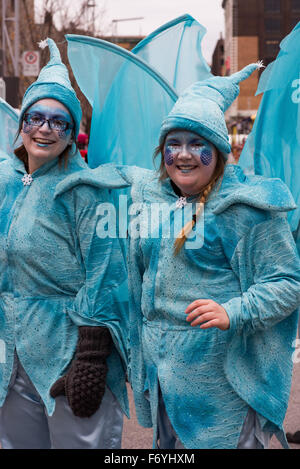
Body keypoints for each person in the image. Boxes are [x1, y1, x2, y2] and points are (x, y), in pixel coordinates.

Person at [99, 63, 300, 449]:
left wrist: (234, 311)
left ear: (220, 151)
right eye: (174, 143)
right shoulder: (151, 196)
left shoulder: (244, 206)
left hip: (223, 384)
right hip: (164, 381)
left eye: (198, 144)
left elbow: (288, 282)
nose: (184, 155)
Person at [0, 38, 129, 449]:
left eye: (60, 122)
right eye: (36, 116)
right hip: (9, 352)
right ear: (22, 122)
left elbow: (108, 273)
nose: (45, 128)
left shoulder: (89, 190)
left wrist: (90, 356)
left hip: (69, 355)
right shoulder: (3, 181)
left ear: (73, 134)